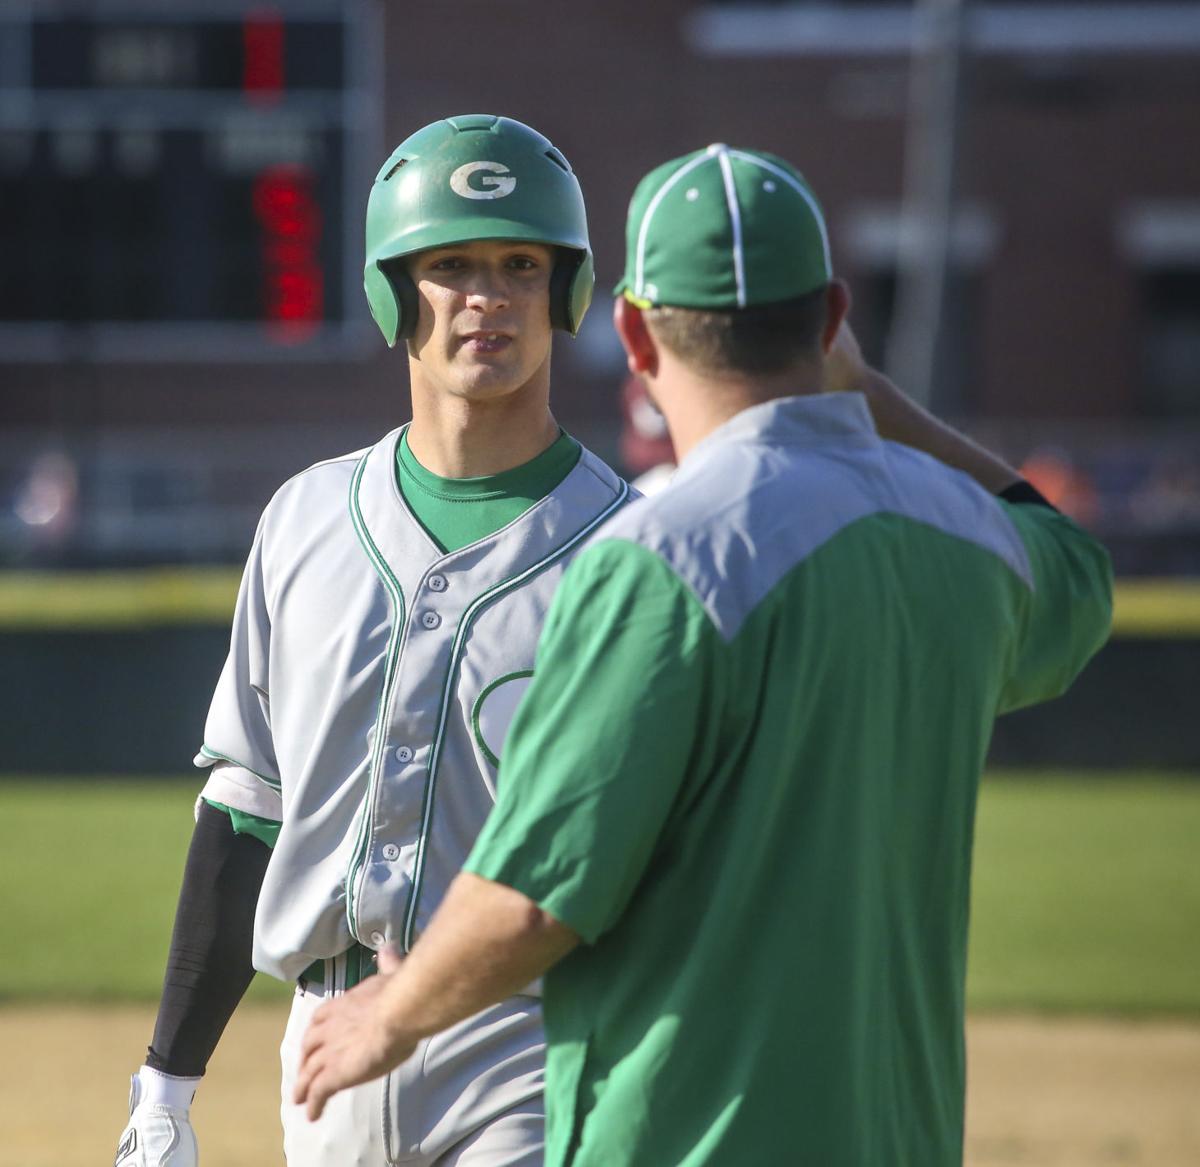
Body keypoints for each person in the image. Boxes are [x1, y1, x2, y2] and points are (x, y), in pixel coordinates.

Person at [291, 143, 1113, 1165]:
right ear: (829, 319)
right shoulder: (963, 536)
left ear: (634, 330)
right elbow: (1074, 559)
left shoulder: (659, 560)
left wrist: (389, 1017)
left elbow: (534, 896)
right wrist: (864, 394)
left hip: (690, 1138)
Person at [114, 114, 633, 1167]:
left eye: (521, 265)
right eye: (449, 265)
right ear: (393, 289)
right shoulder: (305, 519)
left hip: (533, 1038)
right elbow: (245, 818)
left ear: (565, 292)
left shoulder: (631, 550)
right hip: (324, 1046)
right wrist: (167, 1082)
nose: (486, 296)